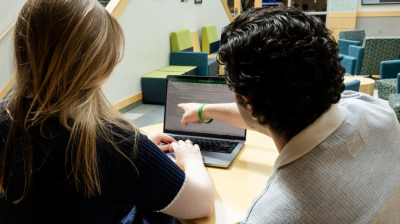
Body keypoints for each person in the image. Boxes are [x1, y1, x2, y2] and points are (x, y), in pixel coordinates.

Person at [179, 7, 400, 223]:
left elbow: (262, 113)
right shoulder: (378, 110)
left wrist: (192, 161)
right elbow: (264, 114)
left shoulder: (272, 214)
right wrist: (203, 110)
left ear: (249, 101)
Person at [0, 0, 214, 223]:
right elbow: (202, 203)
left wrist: (143, 149)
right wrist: (190, 160)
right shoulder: (117, 145)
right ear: (98, 65)